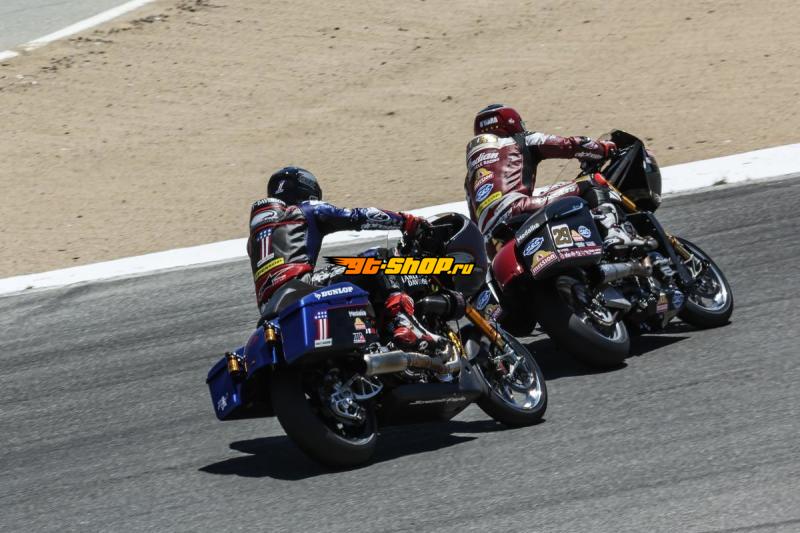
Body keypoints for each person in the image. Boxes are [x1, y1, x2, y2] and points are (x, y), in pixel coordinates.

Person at [248, 166, 441, 352]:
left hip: (270, 309)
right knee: (376, 258)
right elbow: (358, 217)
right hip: (302, 287)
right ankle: (404, 323)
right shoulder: (304, 210)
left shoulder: (254, 239)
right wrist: (407, 222)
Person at [464, 104, 634, 253]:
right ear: (511, 122)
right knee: (592, 182)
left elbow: (474, 220)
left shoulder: (470, 177)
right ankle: (614, 233)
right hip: (519, 208)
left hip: (491, 240)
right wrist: (604, 149)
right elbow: (570, 145)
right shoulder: (519, 140)